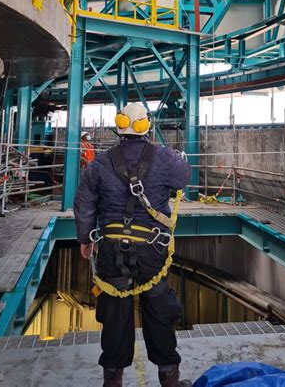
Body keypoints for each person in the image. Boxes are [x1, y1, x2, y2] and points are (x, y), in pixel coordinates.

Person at [74, 102, 191, 387]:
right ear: (145, 126)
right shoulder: (164, 158)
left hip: (112, 250)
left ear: (120, 125)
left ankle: (112, 381)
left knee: (114, 316)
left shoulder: (100, 162)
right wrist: (176, 157)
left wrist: (85, 238)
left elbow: (84, 203)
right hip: (152, 250)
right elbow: (184, 177)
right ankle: (169, 379)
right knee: (159, 312)